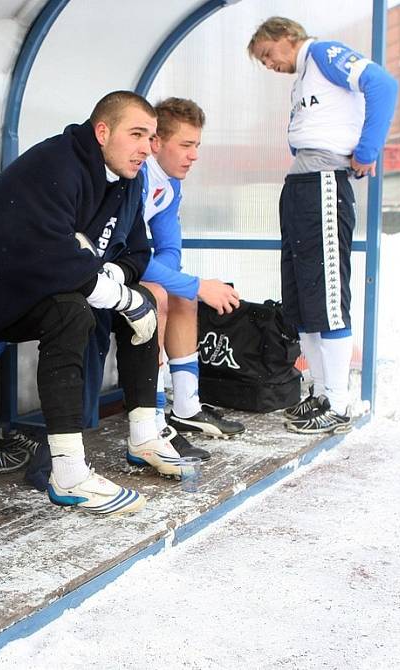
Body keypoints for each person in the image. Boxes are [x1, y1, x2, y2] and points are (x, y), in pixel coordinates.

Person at [0, 90, 182, 516]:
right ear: (103, 131)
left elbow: (137, 253)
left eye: (152, 137)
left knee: (137, 299)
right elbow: (50, 254)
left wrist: (116, 281)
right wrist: (119, 295)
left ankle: (144, 435)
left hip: (45, 290)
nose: (148, 147)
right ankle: (67, 472)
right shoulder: (57, 161)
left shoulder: (133, 178)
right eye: (138, 134)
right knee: (76, 309)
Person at [247, 17, 398, 433]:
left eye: (267, 54)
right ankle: (320, 391)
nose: (269, 64)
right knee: (302, 298)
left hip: (324, 182)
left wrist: (368, 149)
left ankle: (339, 402)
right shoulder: (303, 77)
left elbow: (383, 84)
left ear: (285, 37)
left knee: (328, 295)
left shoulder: (322, 52)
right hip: (299, 184)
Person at [140, 98, 245, 454]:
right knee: (158, 295)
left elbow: (169, 249)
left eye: (196, 145)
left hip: (128, 267)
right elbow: (126, 255)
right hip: (97, 273)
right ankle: (152, 421)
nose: (194, 155)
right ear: (157, 143)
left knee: (181, 293)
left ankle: (186, 407)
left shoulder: (170, 183)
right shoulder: (136, 174)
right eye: (185, 145)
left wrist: (189, 286)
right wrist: (195, 285)